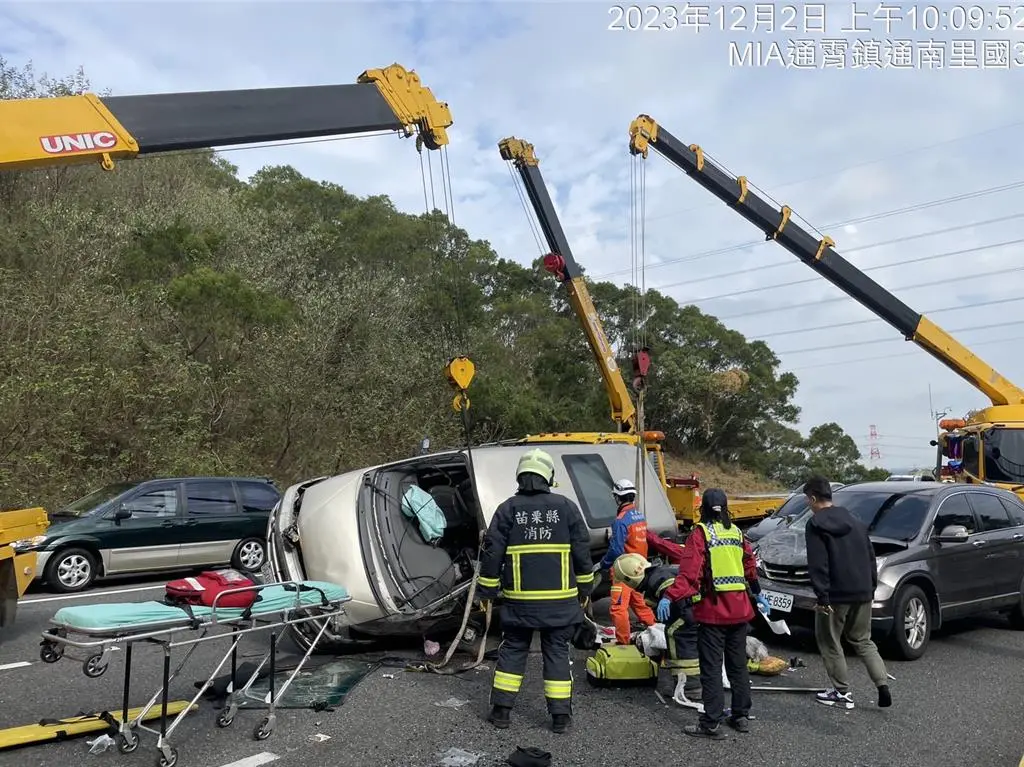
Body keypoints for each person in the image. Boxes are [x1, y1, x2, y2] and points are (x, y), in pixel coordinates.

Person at [477, 448, 595, 734]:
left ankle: (502, 713)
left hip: (520, 605)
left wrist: (487, 591)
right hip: (561, 604)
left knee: (513, 652)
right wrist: (586, 587)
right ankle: (560, 719)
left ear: (521, 475)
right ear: (549, 476)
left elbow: (491, 554)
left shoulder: (508, 509)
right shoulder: (565, 508)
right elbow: (582, 551)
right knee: (556, 654)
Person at [663, 488, 767, 739]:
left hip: (713, 611)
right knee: (737, 666)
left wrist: (670, 596)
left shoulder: (701, 534)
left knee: (710, 668)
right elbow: (750, 568)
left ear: (704, 509)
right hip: (740, 610)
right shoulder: (736, 532)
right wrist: (758, 593)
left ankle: (710, 722)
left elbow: (690, 574)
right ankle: (740, 716)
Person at [803, 475, 892, 710]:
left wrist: (821, 597)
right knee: (863, 640)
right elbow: (870, 556)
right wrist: (871, 587)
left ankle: (841, 693)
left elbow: (818, 563)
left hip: (835, 594)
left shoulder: (815, 524)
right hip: (863, 590)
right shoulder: (855, 520)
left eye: (807, 500)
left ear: (813, 498)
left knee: (830, 641)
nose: (807, 504)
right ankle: (882, 685)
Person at [611, 550, 704, 710]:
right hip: (699, 611)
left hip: (687, 614)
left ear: (630, 579)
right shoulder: (658, 573)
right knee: (689, 646)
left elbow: (678, 601)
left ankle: (691, 689)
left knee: (679, 644)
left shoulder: (657, 580)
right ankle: (688, 685)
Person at [596, 478, 657, 645]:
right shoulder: (639, 516)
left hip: (624, 571)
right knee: (639, 604)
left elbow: (616, 549)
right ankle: (656, 632)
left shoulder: (620, 519)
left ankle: (623, 643)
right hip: (640, 569)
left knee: (618, 607)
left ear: (618, 497)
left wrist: (602, 564)